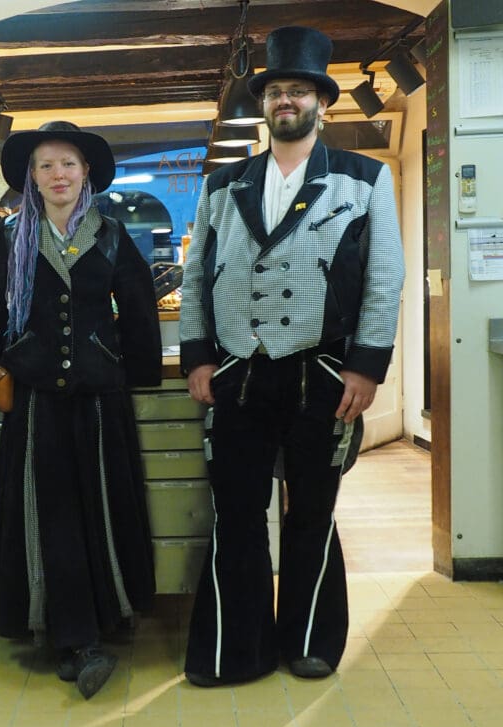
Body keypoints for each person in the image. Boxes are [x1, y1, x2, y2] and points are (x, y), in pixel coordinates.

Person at [178, 26, 405, 686]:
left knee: (311, 511)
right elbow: (197, 275)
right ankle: (236, 651)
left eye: (298, 90)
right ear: (264, 103)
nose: (286, 100)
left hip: (323, 371)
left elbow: (384, 278)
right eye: (276, 90)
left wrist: (366, 365)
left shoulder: (365, 179)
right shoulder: (224, 185)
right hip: (239, 372)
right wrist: (197, 355)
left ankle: (310, 641)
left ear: (321, 104)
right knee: (237, 513)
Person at [0, 121, 162, 699]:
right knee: (46, 514)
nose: (58, 175)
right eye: (46, 166)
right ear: (33, 177)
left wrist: (138, 371)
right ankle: (73, 637)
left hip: (99, 399)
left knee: (95, 510)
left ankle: (86, 632)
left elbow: (140, 312)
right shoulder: (8, 238)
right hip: (35, 398)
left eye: (68, 163)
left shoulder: (114, 235)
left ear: (86, 171)